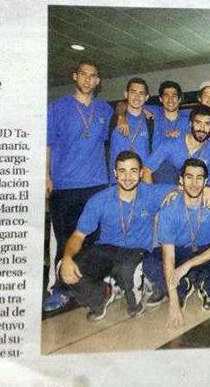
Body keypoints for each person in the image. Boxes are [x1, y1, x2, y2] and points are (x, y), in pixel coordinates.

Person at [56, 151, 173, 321]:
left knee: (128, 278)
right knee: (64, 270)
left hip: (136, 250)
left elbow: (188, 188)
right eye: (122, 171)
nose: (127, 177)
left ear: (141, 173)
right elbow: (78, 236)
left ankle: (136, 288)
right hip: (106, 248)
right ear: (115, 173)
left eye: (133, 171)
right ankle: (103, 293)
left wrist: (204, 191)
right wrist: (67, 258)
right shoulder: (99, 200)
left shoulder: (151, 192)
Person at [44, 60, 113, 313]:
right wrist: (46, 176)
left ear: (98, 81)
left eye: (92, 75)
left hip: (96, 186)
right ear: (75, 76)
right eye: (83, 74)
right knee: (65, 242)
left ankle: (89, 286)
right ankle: (61, 289)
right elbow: (46, 144)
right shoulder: (57, 108)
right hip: (64, 186)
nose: (87, 79)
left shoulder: (105, 110)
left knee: (93, 242)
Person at [143, 159, 210, 327]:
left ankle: (207, 287)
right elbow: (169, 256)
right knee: (150, 264)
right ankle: (183, 286)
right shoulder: (169, 208)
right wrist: (173, 303)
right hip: (179, 252)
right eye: (189, 177)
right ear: (181, 180)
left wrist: (188, 265)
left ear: (206, 182)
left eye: (199, 178)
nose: (194, 183)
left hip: (206, 250)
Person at [143, 104, 210, 190]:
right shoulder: (171, 143)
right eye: (198, 123)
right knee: (166, 169)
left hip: (198, 192)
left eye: (207, 124)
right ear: (190, 124)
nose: (202, 128)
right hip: (171, 191)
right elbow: (147, 170)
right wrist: (152, 194)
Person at [108, 77, 152, 183]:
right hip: (117, 182)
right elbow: (120, 105)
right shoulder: (113, 118)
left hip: (142, 182)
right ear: (126, 94)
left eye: (141, 93)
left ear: (146, 97)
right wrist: (121, 115)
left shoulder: (151, 121)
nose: (137, 96)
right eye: (133, 92)